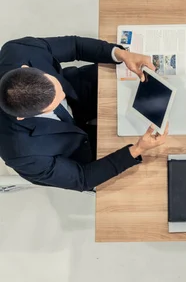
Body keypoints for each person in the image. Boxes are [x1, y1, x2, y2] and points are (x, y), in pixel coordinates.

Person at [0, 36, 168, 191]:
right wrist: (137, 149)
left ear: (26, 68)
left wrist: (120, 54)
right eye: (53, 103)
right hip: (78, 149)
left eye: (55, 85)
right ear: (22, 117)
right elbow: (82, 178)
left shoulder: (18, 50)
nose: (63, 96)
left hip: (82, 90)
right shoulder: (23, 155)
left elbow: (75, 46)